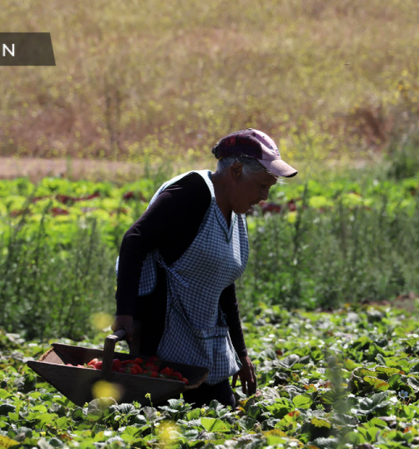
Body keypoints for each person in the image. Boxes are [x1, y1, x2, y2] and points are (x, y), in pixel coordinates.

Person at [112, 128, 298, 407]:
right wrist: (125, 312)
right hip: (160, 333)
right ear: (235, 171)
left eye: (268, 187)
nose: (264, 196)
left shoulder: (235, 213)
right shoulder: (193, 193)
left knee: (222, 413)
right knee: (161, 421)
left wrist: (241, 351)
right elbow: (134, 241)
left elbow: (223, 284)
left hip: (202, 339)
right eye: (261, 185)